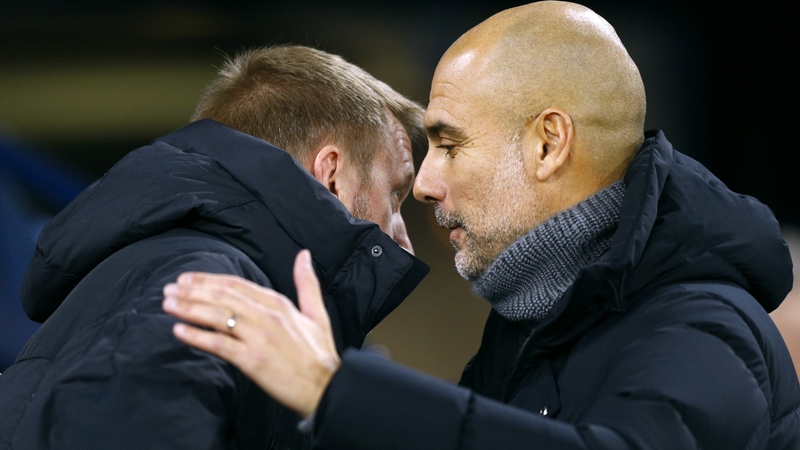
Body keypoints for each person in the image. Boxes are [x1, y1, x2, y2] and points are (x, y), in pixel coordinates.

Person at [162, 2, 800, 449]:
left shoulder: (700, 323)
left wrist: (336, 390)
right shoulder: (530, 328)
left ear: (549, 144)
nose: (426, 182)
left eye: (449, 143)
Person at [0, 45, 429, 449]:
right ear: (332, 175)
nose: (403, 243)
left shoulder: (186, 278)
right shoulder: (205, 288)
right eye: (395, 195)